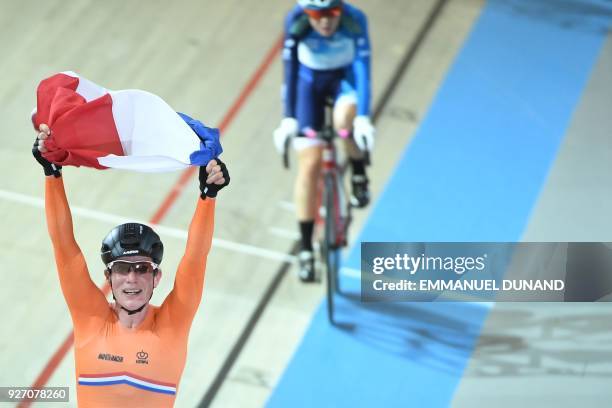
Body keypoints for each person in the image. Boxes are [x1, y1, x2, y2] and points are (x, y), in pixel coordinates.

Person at [32, 122, 229, 407]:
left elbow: (196, 257)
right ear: (108, 277)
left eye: (142, 269)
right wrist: (52, 174)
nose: (132, 279)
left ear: (156, 277)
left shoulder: (172, 324)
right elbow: (64, 247)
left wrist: (207, 197)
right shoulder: (91, 319)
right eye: (123, 268)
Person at [273, 0, 375, 282]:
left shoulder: (355, 19)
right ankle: (305, 247)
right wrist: (288, 119)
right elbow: (290, 69)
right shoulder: (296, 20)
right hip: (309, 85)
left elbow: (364, 67)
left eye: (331, 13)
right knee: (310, 164)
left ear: (340, 8)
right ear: (307, 13)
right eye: (317, 15)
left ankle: (358, 171)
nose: (325, 21)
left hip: (345, 80)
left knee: (345, 125)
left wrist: (363, 117)